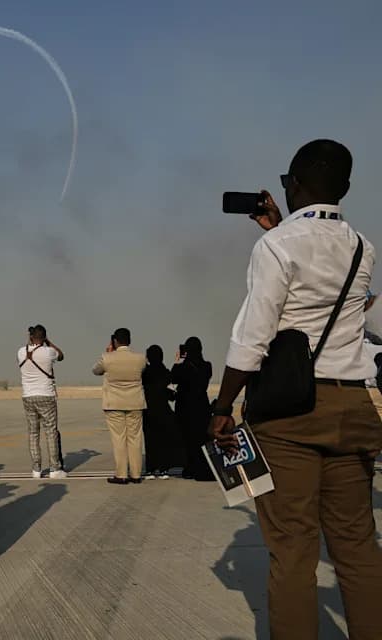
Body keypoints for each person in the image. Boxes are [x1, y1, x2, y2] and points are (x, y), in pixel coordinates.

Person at [210, 140, 382, 640]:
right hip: (351, 407)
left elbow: (252, 339)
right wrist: (282, 224)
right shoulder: (361, 246)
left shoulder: (276, 247)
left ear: (292, 185)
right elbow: (318, 263)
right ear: (345, 189)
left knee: (293, 551)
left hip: (291, 417)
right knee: (357, 548)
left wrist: (223, 407)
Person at [92, 328, 146, 485]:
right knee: (135, 439)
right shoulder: (140, 358)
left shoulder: (107, 358)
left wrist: (108, 353)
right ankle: (136, 474)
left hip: (114, 403)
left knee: (119, 439)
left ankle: (121, 474)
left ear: (115, 341)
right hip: (135, 403)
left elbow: (96, 370)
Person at [17, 324, 67, 479]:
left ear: (31, 336)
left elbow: (28, 350)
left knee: (33, 433)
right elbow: (61, 355)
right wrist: (48, 341)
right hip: (46, 395)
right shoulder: (48, 352)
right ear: (44, 337)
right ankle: (54, 468)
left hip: (28, 396)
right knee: (50, 432)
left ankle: (36, 469)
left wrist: (31, 341)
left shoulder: (21, 352)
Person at [172, 337, 214, 481]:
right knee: (202, 438)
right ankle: (203, 467)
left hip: (185, 407)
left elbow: (173, 378)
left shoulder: (182, 367)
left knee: (188, 439)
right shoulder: (207, 366)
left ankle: (190, 468)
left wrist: (178, 360)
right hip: (202, 406)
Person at [141, 345, 175, 479]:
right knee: (163, 440)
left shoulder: (145, 373)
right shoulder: (166, 373)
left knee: (150, 440)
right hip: (163, 410)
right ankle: (163, 469)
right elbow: (172, 396)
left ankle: (150, 469)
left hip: (148, 410)